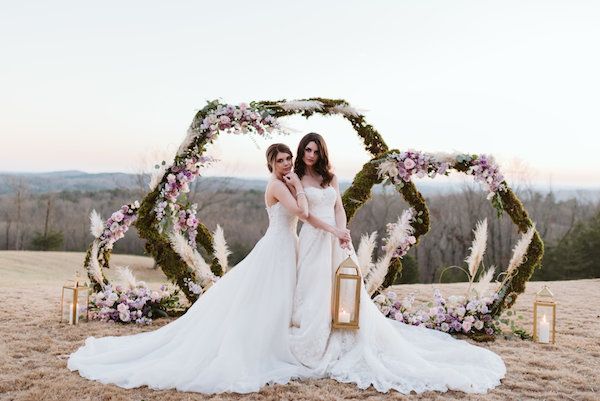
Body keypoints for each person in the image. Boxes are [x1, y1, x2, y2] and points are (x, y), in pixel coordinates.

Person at [68, 143, 312, 394]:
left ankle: (276, 338)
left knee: (276, 296)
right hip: (276, 248)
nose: (287, 163)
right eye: (281, 159)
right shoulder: (277, 185)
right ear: (271, 163)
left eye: (289, 158)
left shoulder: (285, 182)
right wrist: (300, 188)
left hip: (286, 245)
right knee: (270, 294)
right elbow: (301, 212)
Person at [289, 132, 507, 394]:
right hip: (314, 238)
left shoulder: (330, 178)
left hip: (336, 238)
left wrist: (343, 232)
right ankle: (313, 340)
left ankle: (343, 333)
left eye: (315, 151)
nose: (310, 155)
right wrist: (331, 231)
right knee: (315, 287)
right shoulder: (297, 179)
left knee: (343, 287)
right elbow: (305, 215)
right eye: (306, 150)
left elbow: (338, 208)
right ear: (301, 151)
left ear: (321, 153)